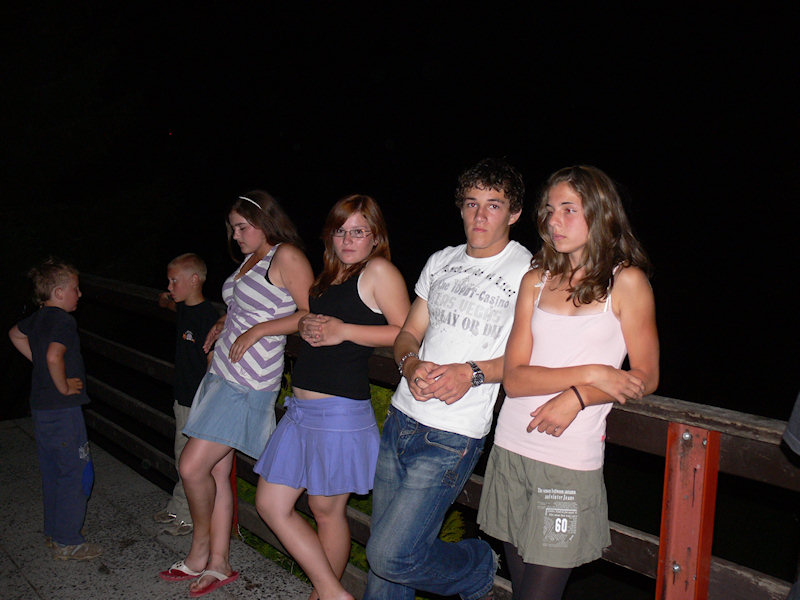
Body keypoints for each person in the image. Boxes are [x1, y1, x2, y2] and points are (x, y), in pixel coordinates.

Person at [476, 165, 659, 600]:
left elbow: (646, 376)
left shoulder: (626, 283)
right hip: (512, 448)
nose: (553, 221)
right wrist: (592, 373)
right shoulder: (535, 280)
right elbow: (515, 380)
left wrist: (578, 397)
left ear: (600, 213)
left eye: (568, 210)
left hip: (569, 461)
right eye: (549, 210)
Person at [364, 158, 532, 600]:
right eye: (472, 203)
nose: (480, 215)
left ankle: (477, 564)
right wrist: (409, 364)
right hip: (401, 419)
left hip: (452, 436)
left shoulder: (530, 273)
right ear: (460, 208)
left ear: (514, 213)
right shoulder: (441, 260)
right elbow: (408, 333)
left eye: (494, 205)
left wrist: (472, 373)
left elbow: (529, 358)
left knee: (391, 555)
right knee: (383, 565)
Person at [254, 194, 410, 600]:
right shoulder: (330, 276)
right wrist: (306, 324)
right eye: (341, 231)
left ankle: (325, 595)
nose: (348, 239)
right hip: (301, 411)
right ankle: (332, 593)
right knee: (271, 504)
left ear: (375, 236)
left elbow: (407, 332)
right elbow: (313, 319)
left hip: (339, 412)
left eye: (359, 231)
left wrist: (344, 331)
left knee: (326, 512)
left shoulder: (379, 271)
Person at [158, 191, 313, 597]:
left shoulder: (286, 256)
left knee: (191, 466)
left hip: (249, 381)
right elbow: (252, 305)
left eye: (243, 227)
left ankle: (200, 551)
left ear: (265, 221)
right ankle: (219, 562)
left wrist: (258, 331)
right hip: (222, 373)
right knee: (214, 472)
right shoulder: (250, 261)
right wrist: (225, 320)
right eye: (232, 227)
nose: (236, 234)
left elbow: (309, 313)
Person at [8, 258, 102, 560]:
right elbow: (53, 356)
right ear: (59, 293)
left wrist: (43, 368)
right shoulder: (63, 321)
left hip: (41, 409)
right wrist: (62, 384)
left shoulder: (37, 318)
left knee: (52, 470)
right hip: (64, 409)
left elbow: (14, 334)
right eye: (76, 289)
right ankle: (68, 541)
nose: (80, 294)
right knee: (75, 472)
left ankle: (54, 532)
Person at [152, 253, 220, 536]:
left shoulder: (208, 317)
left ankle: (190, 516)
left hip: (197, 401)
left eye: (174, 281)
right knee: (181, 454)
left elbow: (213, 360)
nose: (170, 287)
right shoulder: (183, 308)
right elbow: (167, 302)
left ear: (194, 280)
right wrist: (165, 298)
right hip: (181, 397)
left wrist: (209, 401)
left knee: (191, 461)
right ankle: (179, 505)